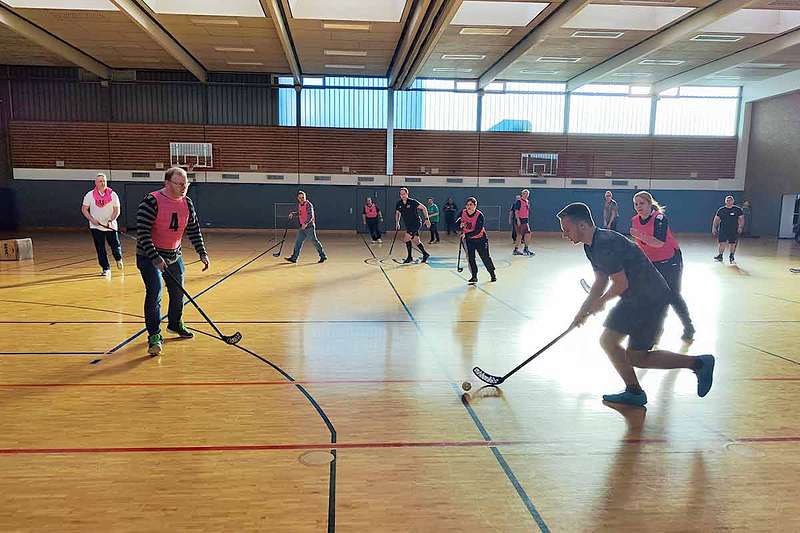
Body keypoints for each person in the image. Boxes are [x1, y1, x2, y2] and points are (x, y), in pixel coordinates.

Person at [557, 202, 714, 407]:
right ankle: (634, 391)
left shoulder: (606, 243)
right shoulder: (591, 246)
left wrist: (600, 303)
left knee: (637, 357)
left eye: (566, 229)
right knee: (608, 341)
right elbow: (600, 282)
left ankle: (699, 363)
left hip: (651, 298)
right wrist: (582, 312)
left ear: (582, 226)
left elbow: (620, 284)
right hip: (633, 298)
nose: (565, 234)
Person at [136, 167, 210, 356]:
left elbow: (193, 229)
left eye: (186, 184)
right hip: (149, 256)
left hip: (174, 254)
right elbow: (143, 234)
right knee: (155, 293)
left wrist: (202, 252)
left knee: (178, 294)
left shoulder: (187, 202)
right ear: (167, 183)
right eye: (180, 184)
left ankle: (175, 323)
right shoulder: (151, 201)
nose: (184, 187)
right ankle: (154, 336)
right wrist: (155, 258)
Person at [629, 191, 695, 342]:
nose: (638, 206)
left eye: (642, 203)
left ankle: (689, 327)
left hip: (670, 260)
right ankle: (655, 329)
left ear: (649, 203)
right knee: (652, 296)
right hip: (652, 262)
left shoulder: (659, 218)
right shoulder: (635, 221)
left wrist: (639, 236)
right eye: (636, 204)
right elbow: (641, 245)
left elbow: (658, 243)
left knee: (673, 295)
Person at [81, 173, 123, 277]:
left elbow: (117, 210)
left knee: (115, 246)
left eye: (104, 181)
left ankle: (118, 259)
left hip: (110, 226)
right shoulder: (89, 195)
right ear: (96, 183)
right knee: (100, 248)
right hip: (96, 226)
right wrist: (92, 219)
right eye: (100, 181)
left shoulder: (113, 194)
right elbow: (84, 209)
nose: (102, 183)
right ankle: (106, 268)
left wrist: (111, 219)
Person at [457, 197, 496, 283]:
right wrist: (459, 225)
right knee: (471, 258)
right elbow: (456, 223)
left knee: (485, 257)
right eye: (467, 205)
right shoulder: (462, 212)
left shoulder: (479, 215)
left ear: (475, 205)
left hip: (480, 239)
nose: (469, 207)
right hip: (469, 240)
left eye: (471, 205)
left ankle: (492, 274)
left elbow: (478, 230)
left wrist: (465, 235)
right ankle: (474, 276)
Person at [286, 191, 327, 264]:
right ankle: (294, 258)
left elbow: (310, 216)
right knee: (298, 242)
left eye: (303, 197)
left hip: (309, 227)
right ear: (297, 198)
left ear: (305, 197)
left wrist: (305, 223)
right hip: (302, 228)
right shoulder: (300, 205)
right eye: (300, 198)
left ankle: (323, 256)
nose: (301, 199)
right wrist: (293, 214)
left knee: (314, 241)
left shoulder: (309, 205)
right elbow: (300, 213)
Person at [395, 188, 431, 264]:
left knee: (406, 239)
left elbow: (424, 208)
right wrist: (397, 222)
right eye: (401, 194)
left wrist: (427, 219)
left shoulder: (412, 202)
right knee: (416, 241)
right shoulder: (399, 204)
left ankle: (409, 257)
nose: (402, 196)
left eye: (404, 194)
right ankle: (425, 254)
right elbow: (398, 213)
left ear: (407, 194)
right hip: (408, 225)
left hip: (416, 223)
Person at [712, 195, 744, 263]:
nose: (729, 202)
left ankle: (731, 256)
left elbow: (741, 219)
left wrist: (740, 227)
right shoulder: (721, 210)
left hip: (733, 229)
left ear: (733, 201)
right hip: (723, 229)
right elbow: (716, 219)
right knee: (722, 243)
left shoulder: (738, 210)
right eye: (727, 200)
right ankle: (720, 256)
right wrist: (714, 227)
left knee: (732, 243)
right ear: (725, 201)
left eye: (730, 200)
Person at [513, 189, 534, 256]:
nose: (526, 195)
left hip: (525, 220)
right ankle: (515, 250)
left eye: (527, 194)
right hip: (520, 220)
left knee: (528, 234)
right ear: (522, 194)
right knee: (519, 235)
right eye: (525, 193)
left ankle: (526, 248)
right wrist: (518, 220)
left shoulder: (527, 201)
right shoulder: (519, 201)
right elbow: (516, 211)